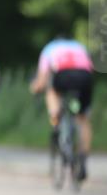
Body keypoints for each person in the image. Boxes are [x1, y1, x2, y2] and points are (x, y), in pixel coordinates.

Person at [29, 36, 94, 181]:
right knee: (83, 120)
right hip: (85, 76)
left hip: (63, 74)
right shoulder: (79, 46)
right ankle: (83, 160)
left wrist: (34, 88)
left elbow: (42, 80)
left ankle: (56, 117)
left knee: (51, 91)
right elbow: (90, 66)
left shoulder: (49, 49)